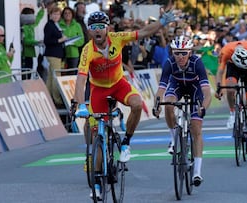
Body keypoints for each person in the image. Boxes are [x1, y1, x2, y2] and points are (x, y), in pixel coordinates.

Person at [73, 10, 177, 198]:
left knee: (137, 104)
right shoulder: (87, 51)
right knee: (96, 134)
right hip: (99, 90)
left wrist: (161, 22)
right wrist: (81, 105)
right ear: (89, 31)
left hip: (119, 84)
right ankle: (96, 185)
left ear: (107, 29)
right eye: (93, 27)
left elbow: (143, 33)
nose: (97, 31)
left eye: (101, 27)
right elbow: (81, 80)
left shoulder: (118, 38)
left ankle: (126, 143)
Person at [153, 35, 212, 187]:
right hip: (177, 86)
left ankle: (197, 172)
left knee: (196, 128)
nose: (180, 56)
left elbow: (206, 91)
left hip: (195, 89)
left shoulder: (197, 63)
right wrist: (157, 104)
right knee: (168, 104)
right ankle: (174, 139)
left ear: (190, 53)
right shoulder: (169, 63)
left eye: (183, 53)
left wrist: (203, 107)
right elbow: (161, 89)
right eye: (177, 52)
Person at [214, 40, 247, 154]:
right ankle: (232, 113)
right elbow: (220, 72)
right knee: (230, 89)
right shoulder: (225, 51)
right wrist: (219, 88)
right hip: (233, 65)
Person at [44, 6, 67, 108]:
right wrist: (60, 40)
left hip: (55, 53)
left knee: (50, 76)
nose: (57, 16)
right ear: (50, 15)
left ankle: (48, 96)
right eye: (55, 14)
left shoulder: (54, 25)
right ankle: (57, 99)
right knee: (56, 76)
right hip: (53, 54)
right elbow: (47, 41)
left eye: (58, 14)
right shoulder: (49, 25)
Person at [21, 5, 45, 80]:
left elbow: (38, 18)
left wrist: (43, 9)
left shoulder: (31, 25)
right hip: (25, 54)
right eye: (32, 15)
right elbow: (25, 41)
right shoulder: (23, 28)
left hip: (30, 53)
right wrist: (37, 42)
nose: (34, 17)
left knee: (29, 72)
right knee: (25, 75)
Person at [59, 6, 85, 75]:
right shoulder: (59, 25)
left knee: (72, 74)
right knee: (62, 74)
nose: (67, 15)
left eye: (69, 13)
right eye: (65, 13)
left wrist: (72, 42)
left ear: (72, 14)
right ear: (63, 15)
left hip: (74, 54)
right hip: (62, 53)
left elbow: (81, 40)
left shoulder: (77, 25)